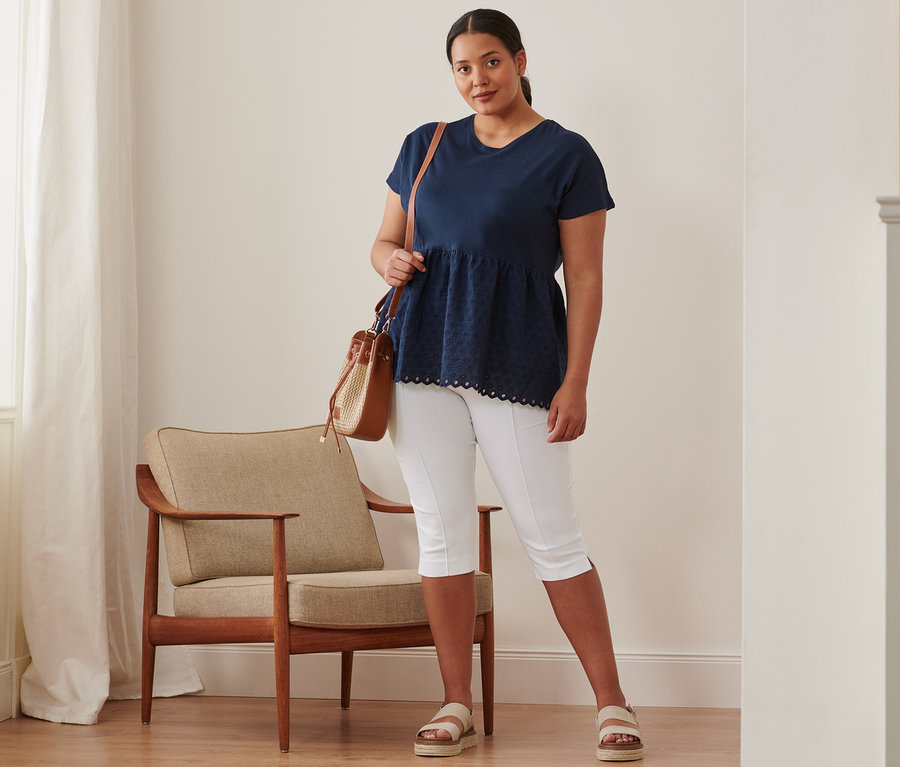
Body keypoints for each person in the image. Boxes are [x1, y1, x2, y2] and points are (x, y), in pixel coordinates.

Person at [370, 8, 643, 762]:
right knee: (442, 531)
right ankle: (455, 701)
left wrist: (576, 380)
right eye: (462, 68)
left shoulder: (567, 155)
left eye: (490, 62)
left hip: (518, 358)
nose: (477, 80)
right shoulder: (425, 144)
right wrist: (385, 260)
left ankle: (611, 701)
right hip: (420, 354)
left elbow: (585, 276)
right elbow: (385, 239)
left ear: (520, 60)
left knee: (553, 535)